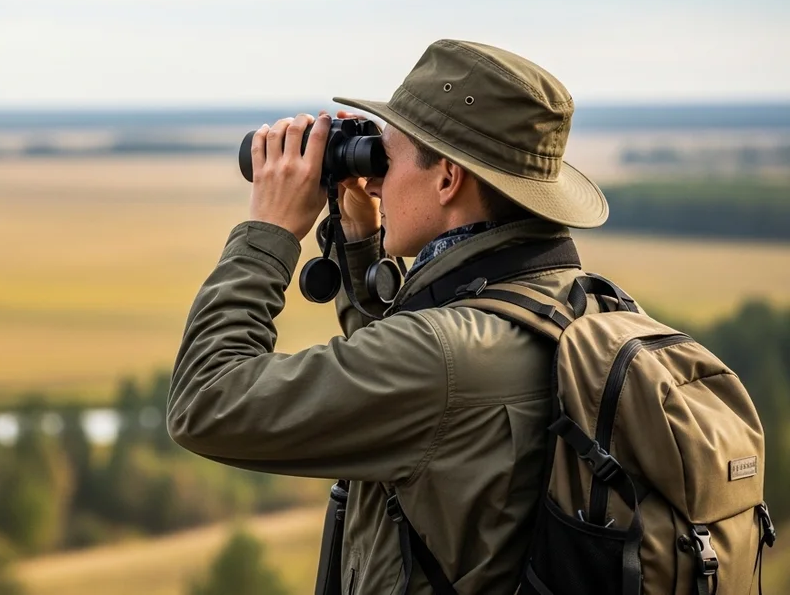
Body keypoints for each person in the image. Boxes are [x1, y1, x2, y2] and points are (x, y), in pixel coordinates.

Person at [167, 39, 609, 594]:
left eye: (388, 158)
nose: (373, 179)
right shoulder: (581, 305)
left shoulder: (442, 358)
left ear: (448, 179)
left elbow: (207, 403)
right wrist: (359, 240)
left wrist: (270, 233)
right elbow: (416, 398)